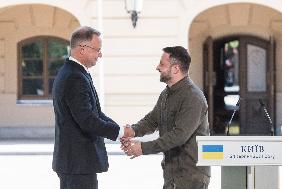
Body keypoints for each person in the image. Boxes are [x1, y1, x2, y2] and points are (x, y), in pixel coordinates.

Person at [122, 46, 211, 189]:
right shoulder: (166, 93)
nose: (157, 67)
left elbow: (179, 136)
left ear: (175, 69)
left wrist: (143, 148)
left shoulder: (193, 97)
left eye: (162, 64)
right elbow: (152, 120)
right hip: (172, 175)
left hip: (190, 177)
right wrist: (132, 131)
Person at [52, 26, 121, 189]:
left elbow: (95, 113)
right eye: (97, 50)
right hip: (78, 163)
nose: (100, 54)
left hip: (75, 163)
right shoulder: (75, 77)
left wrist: (119, 130)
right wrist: (120, 133)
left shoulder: (75, 72)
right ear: (82, 49)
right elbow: (87, 120)